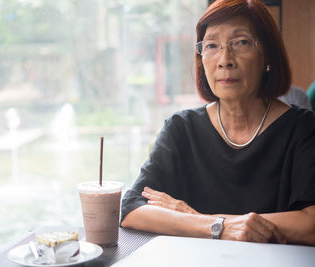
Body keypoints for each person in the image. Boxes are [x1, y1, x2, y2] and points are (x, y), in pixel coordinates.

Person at [121, 0, 315, 246]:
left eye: (241, 42)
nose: (225, 59)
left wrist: (200, 219)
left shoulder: (303, 129)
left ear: (268, 55)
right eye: (212, 45)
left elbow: (311, 224)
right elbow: (132, 210)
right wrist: (218, 227)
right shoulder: (181, 129)